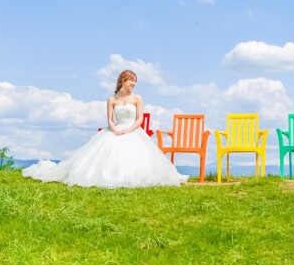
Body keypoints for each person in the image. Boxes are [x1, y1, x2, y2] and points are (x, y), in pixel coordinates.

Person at [23, 69, 188, 188]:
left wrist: (128, 130)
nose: (134, 84)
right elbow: (110, 120)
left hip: (132, 130)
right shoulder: (112, 100)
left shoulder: (137, 98)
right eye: (132, 81)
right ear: (123, 80)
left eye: (135, 82)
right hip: (116, 129)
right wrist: (115, 130)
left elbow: (139, 119)